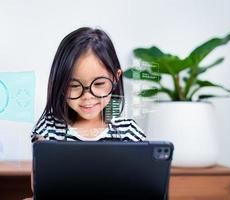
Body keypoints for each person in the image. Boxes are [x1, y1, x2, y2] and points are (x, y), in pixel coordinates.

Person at [23, 27, 146, 200]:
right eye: (73, 86)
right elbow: (41, 187)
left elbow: (139, 186)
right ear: (59, 83)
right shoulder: (49, 128)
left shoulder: (128, 132)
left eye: (99, 84)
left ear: (115, 78)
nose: (87, 97)